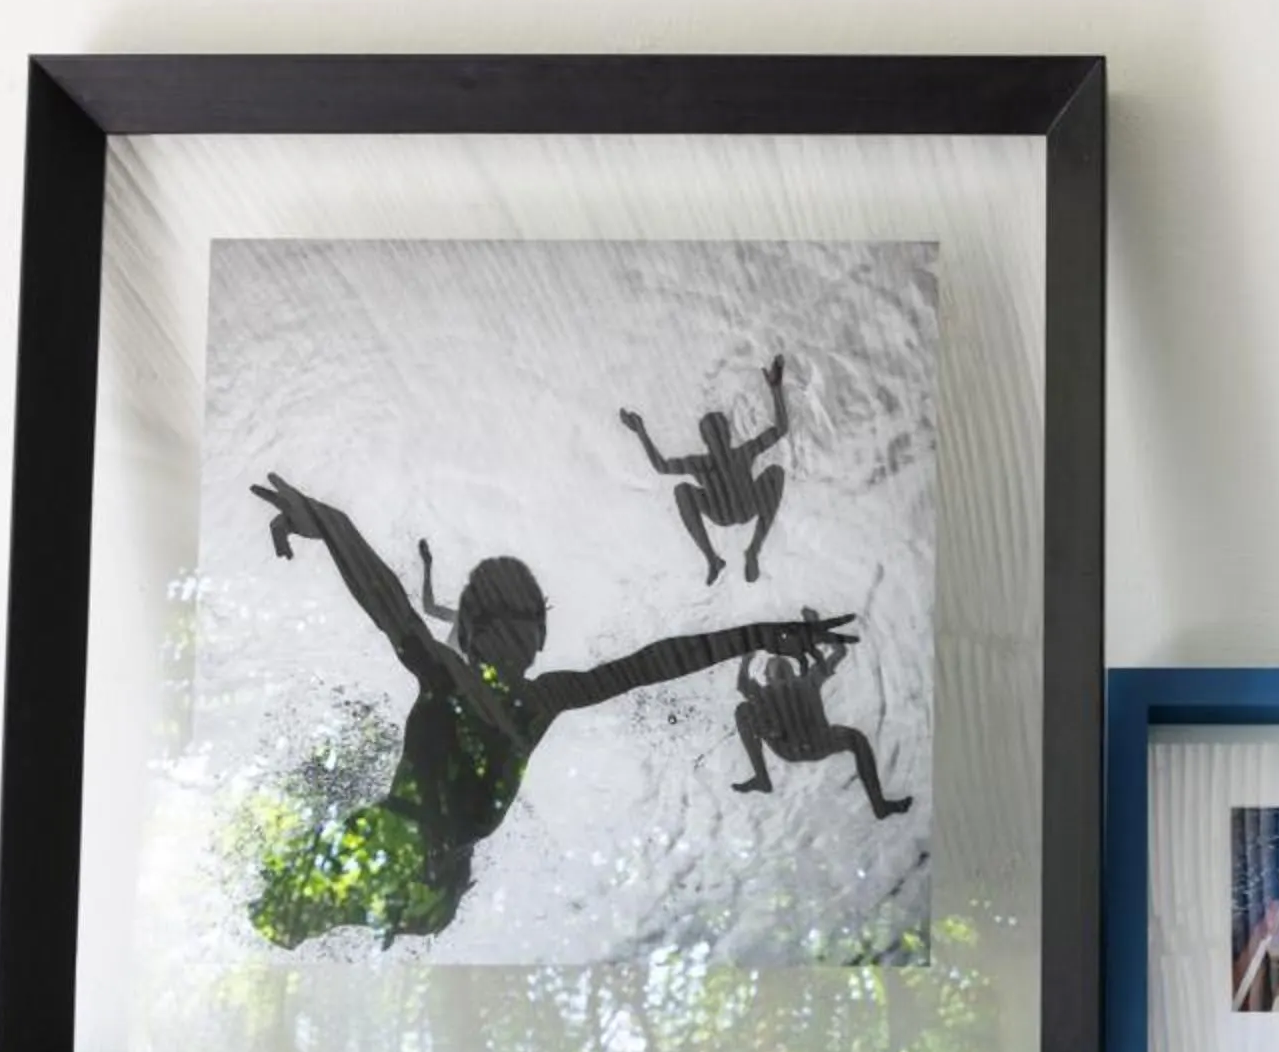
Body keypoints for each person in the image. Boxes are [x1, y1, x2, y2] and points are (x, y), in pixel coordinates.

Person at [243, 474, 853, 948]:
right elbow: (389, 602)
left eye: (538, 625)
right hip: (384, 850)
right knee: (271, 918)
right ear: (478, 631)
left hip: (433, 888)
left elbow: (651, 664)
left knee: (339, 916)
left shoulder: (541, 700)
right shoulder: (447, 674)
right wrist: (329, 522)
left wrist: (759, 635)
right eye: (522, 622)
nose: (533, 639)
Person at [619, 354, 790, 586]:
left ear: (728, 435)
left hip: (747, 505)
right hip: (724, 511)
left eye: (720, 431)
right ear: (706, 440)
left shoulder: (742, 453)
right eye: (713, 434)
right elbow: (661, 466)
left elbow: (780, 429)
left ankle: (754, 549)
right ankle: (712, 558)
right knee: (682, 491)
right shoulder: (704, 462)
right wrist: (641, 432)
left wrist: (776, 389)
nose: (718, 438)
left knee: (776, 472)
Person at [731, 609, 912, 819]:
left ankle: (879, 805)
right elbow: (742, 686)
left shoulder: (808, 680)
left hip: (819, 741)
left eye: (784, 664)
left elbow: (839, 654)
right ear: (767, 676)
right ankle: (762, 777)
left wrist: (817, 628)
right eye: (774, 666)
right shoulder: (762, 693)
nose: (780, 665)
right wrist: (746, 660)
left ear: (793, 670)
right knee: (744, 710)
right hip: (786, 745)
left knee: (856, 738)